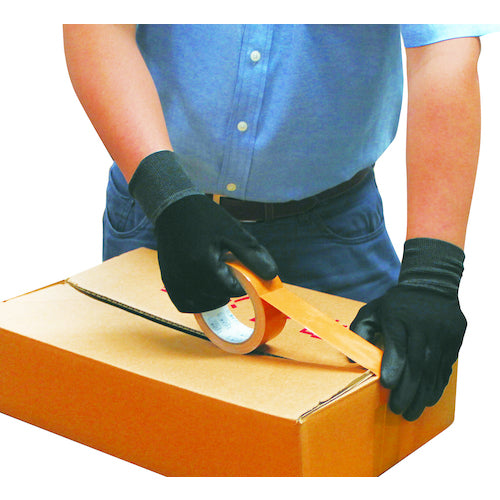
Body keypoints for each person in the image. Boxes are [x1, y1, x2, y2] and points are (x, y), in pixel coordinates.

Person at [63, 24, 497, 421]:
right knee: (143, 424)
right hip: (160, 215)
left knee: (344, 443)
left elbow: (444, 48)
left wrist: (431, 277)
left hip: (334, 235)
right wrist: (168, 198)